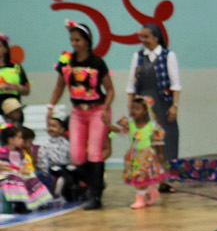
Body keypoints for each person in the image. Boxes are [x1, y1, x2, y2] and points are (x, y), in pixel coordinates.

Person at [45, 21, 114, 210]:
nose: (74, 43)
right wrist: (50, 106)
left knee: (94, 152)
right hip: (78, 112)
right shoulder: (67, 62)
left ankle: (95, 196)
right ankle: (95, 185)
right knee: (76, 155)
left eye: (77, 40)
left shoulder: (96, 62)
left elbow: (110, 89)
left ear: (87, 41)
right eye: (72, 40)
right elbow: (59, 86)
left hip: (97, 110)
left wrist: (106, 109)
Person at [126, 22, 181, 191]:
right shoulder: (138, 57)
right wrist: (130, 103)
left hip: (162, 105)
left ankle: (166, 180)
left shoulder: (168, 56)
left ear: (156, 38)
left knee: (166, 141)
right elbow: (131, 83)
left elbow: (175, 84)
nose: (143, 40)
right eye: (141, 37)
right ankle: (146, 179)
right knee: (145, 142)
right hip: (143, 107)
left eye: (146, 36)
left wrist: (174, 105)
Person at [115, 95, 167, 209]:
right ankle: (152, 192)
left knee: (141, 177)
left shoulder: (152, 126)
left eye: (137, 109)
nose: (133, 111)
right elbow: (118, 131)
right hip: (135, 155)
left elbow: (159, 143)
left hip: (146, 157)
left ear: (145, 111)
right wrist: (108, 127)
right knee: (139, 177)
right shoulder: (130, 124)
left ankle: (140, 199)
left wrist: (161, 156)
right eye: (132, 108)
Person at [1, 124, 50, 213]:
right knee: (16, 179)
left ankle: (36, 202)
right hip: (6, 174)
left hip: (17, 172)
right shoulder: (3, 152)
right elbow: (3, 166)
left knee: (32, 178)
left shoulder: (19, 152)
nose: (22, 140)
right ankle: (19, 204)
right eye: (19, 138)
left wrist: (24, 169)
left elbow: (22, 163)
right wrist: (13, 170)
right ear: (11, 140)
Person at [36, 114, 76, 199]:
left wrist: (72, 164)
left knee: (73, 172)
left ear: (61, 130)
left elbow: (71, 155)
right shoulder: (45, 145)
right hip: (53, 167)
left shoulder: (66, 143)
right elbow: (42, 159)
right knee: (63, 174)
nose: (51, 128)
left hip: (66, 166)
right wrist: (44, 169)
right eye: (49, 126)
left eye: (54, 126)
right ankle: (57, 193)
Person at [0, 36, 30, 125]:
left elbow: (27, 90)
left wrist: (17, 87)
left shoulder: (16, 67)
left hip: (13, 108)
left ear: (5, 49)